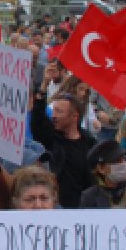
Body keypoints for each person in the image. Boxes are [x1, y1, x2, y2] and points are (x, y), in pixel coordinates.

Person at [29, 76, 95, 209]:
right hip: (55, 209)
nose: (53, 115)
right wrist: (44, 86)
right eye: (54, 110)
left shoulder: (91, 145)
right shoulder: (52, 139)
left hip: (81, 211)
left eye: (59, 112)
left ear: (74, 117)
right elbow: (38, 121)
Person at [80, 139, 126, 209]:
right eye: (117, 160)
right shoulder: (89, 197)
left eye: (124, 158)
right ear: (101, 168)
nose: (123, 163)